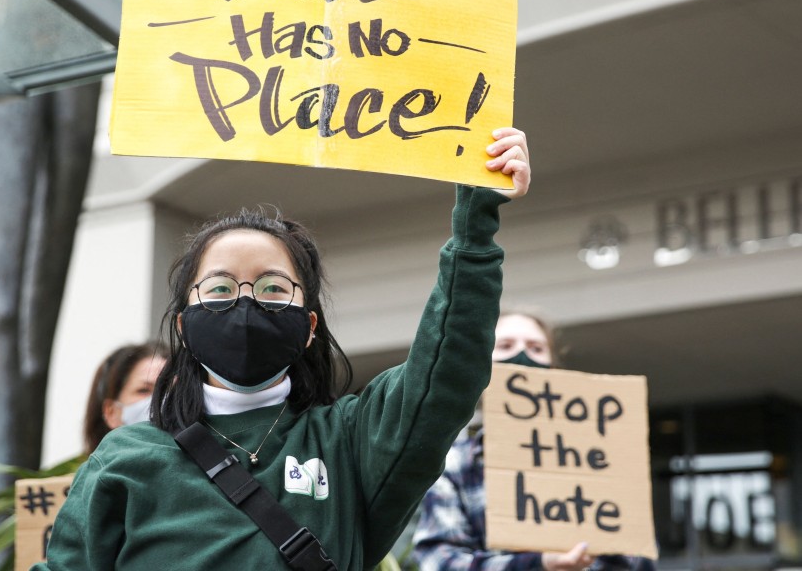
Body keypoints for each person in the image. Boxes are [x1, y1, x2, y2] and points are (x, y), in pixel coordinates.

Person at [36, 127, 531, 570]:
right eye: (220, 289)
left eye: (273, 288)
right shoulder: (125, 457)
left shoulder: (350, 441)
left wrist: (476, 221)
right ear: (185, 326)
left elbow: (446, 373)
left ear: (309, 324)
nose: (245, 303)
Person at [410, 310, 655, 571]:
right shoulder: (455, 465)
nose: (522, 355)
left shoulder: (600, 459)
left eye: (536, 348)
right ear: (482, 363)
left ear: (553, 367)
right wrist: (539, 564)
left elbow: (635, 555)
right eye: (505, 346)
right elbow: (440, 561)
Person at [82, 342, 167, 455]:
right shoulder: (92, 472)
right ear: (112, 412)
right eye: (144, 390)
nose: (162, 400)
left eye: (171, 390)